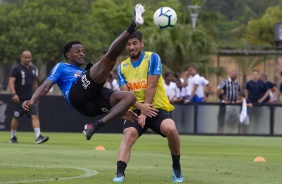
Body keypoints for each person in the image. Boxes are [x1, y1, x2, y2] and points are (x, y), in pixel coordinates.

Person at [22, 4, 146, 140]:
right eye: (77, 51)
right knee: (109, 59)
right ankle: (133, 25)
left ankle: (94, 127)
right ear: (68, 54)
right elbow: (46, 86)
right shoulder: (62, 67)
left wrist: (122, 112)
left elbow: (100, 92)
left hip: (89, 107)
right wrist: (33, 100)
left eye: (83, 51)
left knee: (130, 97)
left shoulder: (83, 73)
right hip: (76, 96)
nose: (81, 54)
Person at [113, 31, 183, 183]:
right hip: (135, 109)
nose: (131, 47)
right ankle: (119, 173)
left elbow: (151, 86)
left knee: (171, 129)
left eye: (135, 43)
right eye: (128, 44)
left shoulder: (152, 58)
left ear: (142, 44)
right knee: (128, 134)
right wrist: (140, 108)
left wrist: (145, 109)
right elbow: (125, 94)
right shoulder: (122, 67)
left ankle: (176, 166)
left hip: (156, 107)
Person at [9, 51, 49, 144]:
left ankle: (38, 136)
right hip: (19, 98)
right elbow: (11, 81)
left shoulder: (33, 69)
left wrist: (36, 96)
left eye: (29, 57)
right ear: (21, 58)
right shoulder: (16, 68)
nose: (27, 59)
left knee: (35, 115)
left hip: (30, 99)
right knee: (16, 116)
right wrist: (14, 94)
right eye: (25, 57)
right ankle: (13, 136)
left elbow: (35, 83)